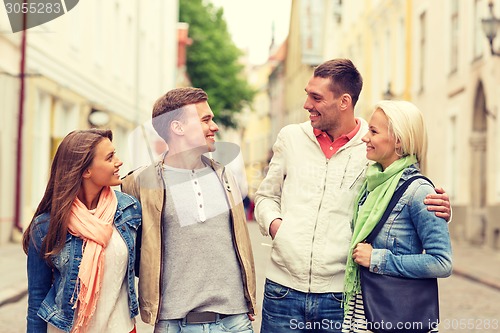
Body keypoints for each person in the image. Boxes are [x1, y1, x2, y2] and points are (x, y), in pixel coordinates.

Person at [254, 59, 451, 333]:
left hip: (340, 296)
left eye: (316, 97)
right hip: (283, 290)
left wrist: (438, 207)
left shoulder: (372, 148)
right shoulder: (291, 138)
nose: (306, 104)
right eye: (307, 95)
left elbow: (401, 187)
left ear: (344, 101)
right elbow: (265, 196)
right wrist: (278, 227)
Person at [121, 87, 256, 333]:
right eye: (205, 119)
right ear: (177, 127)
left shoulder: (226, 177)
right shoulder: (140, 183)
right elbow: (129, 254)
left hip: (234, 322)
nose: (214, 126)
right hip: (173, 324)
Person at [342, 100, 452, 332]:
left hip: (396, 315)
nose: (365, 137)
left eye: (373, 131)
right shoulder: (371, 183)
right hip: (362, 312)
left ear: (399, 140)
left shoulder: (419, 191)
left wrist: (379, 259)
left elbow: (442, 262)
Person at [23, 129, 142, 333]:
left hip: (120, 327)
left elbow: (145, 266)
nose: (119, 162)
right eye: (109, 157)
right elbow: (37, 297)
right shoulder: (46, 226)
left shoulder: (129, 210)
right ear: (86, 171)